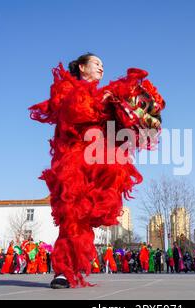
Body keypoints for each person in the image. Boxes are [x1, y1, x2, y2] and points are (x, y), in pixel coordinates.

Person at [29, 53, 164, 289]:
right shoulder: (67, 88)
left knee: (86, 216)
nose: (102, 67)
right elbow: (74, 112)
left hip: (98, 159)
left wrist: (132, 113)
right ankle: (63, 271)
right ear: (82, 67)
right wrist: (104, 101)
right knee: (72, 214)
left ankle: (74, 266)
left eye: (103, 64)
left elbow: (114, 127)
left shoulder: (105, 95)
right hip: (72, 161)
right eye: (96, 63)